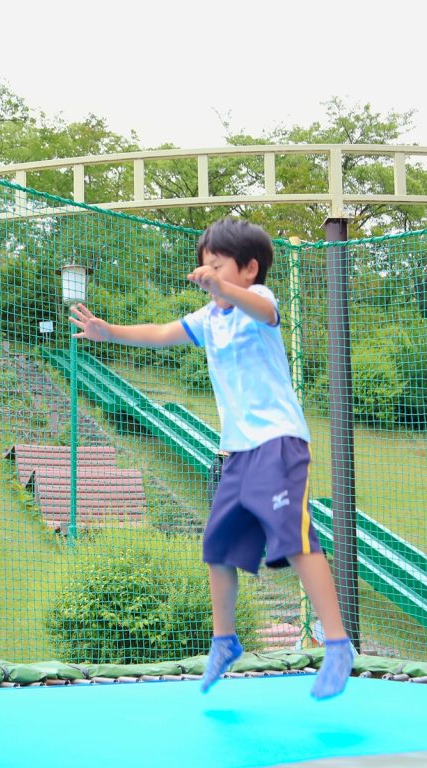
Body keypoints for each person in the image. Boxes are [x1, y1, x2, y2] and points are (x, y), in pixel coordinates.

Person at [70, 217, 354, 700]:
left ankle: (339, 644)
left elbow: (260, 306)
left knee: (295, 537)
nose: (207, 277)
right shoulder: (209, 320)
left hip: (279, 443)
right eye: (204, 268)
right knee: (217, 546)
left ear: (249, 269)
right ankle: (224, 643)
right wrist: (106, 330)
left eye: (218, 268)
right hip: (237, 450)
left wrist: (224, 286)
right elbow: (160, 333)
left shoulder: (261, 303)